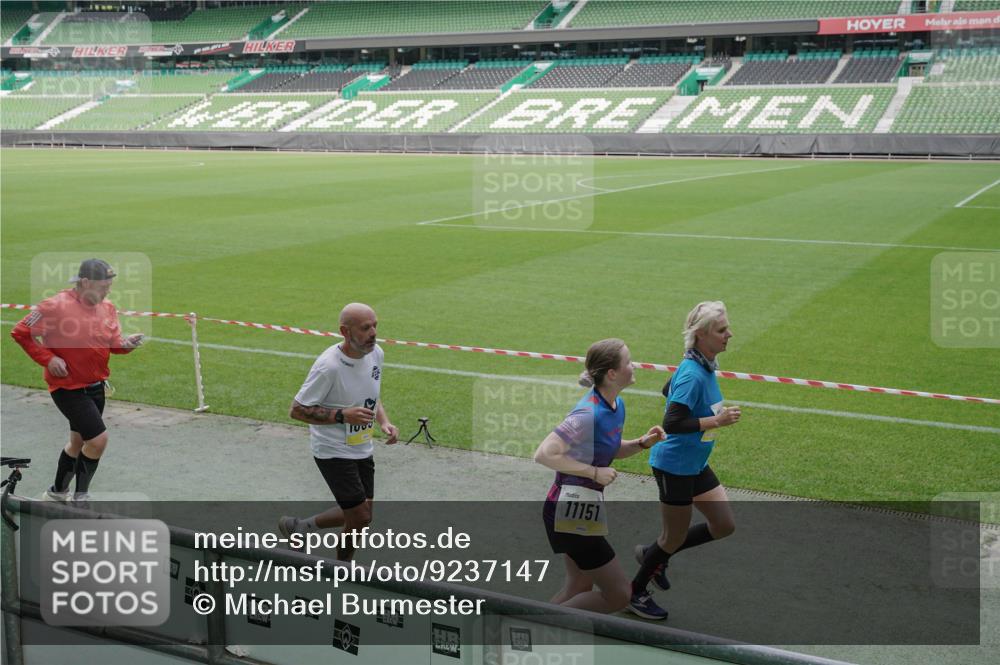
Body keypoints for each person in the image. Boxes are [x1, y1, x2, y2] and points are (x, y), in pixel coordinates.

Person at [534, 338, 665, 614]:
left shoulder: (616, 405)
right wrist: (594, 472)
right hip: (568, 512)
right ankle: (540, 627)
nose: (634, 365)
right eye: (628, 361)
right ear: (612, 374)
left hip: (582, 509)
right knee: (618, 595)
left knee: (578, 586)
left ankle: (529, 629)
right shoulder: (588, 414)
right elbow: (544, 454)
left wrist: (641, 443)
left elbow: (609, 449)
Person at [628, 301, 741, 620]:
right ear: (701, 334)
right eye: (722, 330)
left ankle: (653, 554)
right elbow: (673, 421)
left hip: (695, 463)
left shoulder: (701, 364)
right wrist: (716, 421)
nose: (729, 334)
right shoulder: (694, 373)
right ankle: (634, 593)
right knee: (673, 536)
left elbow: (669, 388)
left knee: (723, 525)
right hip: (675, 466)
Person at [10, 258, 144, 502]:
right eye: (103, 286)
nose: (108, 292)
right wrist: (48, 358)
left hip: (96, 387)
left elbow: (112, 344)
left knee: (77, 442)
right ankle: (80, 498)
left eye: (109, 286)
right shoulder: (55, 306)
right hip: (68, 388)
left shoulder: (107, 308)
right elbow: (21, 332)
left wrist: (126, 345)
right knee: (98, 441)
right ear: (85, 282)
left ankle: (56, 492)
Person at [280, 303, 398, 561]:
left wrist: (384, 422)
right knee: (360, 517)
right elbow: (297, 410)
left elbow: (371, 395)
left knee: (363, 514)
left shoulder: (376, 353)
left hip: (361, 445)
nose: (373, 333)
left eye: (375, 326)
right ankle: (342, 570)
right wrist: (341, 415)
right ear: (345, 331)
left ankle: (300, 527)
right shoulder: (329, 366)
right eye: (365, 328)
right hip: (332, 450)